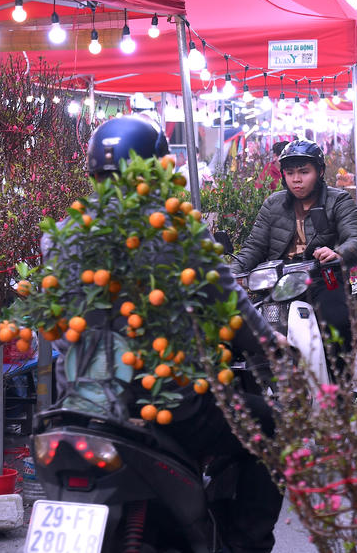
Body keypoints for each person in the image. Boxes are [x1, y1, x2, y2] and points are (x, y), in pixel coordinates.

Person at [46, 116, 285, 553]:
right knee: (270, 424)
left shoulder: (61, 237)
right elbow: (232, 307)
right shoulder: (176, 231)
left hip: (79, 406)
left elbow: (58, 328)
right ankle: (243, 542)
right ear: (157, 169)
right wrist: (272, 347)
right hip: (165, 402)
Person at [234, 139, 357, 361]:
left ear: (320, 172)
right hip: (277, 283)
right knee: (244, 330)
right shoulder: (273, 204)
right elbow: (254, 247)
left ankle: (340, 379)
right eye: (290, 173)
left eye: (304, 172)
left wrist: (338, 253)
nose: (296, 179)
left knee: (337, 324)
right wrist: (229, 273)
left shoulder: (338, 200)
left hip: (324, 278)